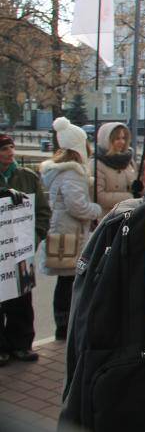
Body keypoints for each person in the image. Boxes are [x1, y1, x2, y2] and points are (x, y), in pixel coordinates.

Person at [39, 118, 102, 340]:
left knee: (65, 281)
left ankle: (63, 324)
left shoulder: (61, 171)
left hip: (63, 229)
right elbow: (78, 207)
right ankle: (65, 327)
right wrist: (96, 210)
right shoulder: (72, 174)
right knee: (69, 282)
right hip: (70, 233)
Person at [0, 134, 50, 365]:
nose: (10, 152)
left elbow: (42, 212)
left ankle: (21, 344)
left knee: (21, 300)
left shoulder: (27, 177)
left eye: (11, 147)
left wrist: (34, 238)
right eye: (4, 149)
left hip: (20, 253)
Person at [92, 122, 140, 216]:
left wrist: (140, 189)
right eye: (117, 138)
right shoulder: (97, 164)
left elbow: (135, 182)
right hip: (108, 217)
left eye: (123, 138)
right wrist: (130, 197)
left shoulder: (128, 160)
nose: (122, 142)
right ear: (107, 140)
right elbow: (99, 196)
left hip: (129, 215)